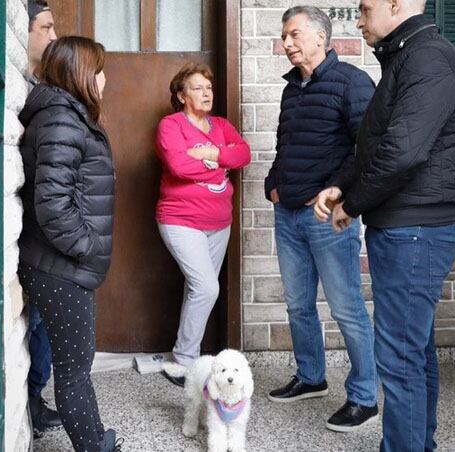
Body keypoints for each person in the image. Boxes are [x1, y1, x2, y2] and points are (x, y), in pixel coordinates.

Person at [314, 0, 455, 449]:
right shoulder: (408, 56)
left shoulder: (428, 58)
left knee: (401, 359)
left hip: (415, 231)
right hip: (407, 227)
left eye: (365, 9)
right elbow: (378, 141)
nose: (359, 19)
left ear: (396, 4)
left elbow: (403, 153)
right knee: (412, 351)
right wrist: (342, 186)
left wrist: (354, 203)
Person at [263, 5, 379, 433]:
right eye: (284, 36)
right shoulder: (291, 89)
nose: (287, 43)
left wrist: (336, 193)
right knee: (297, 304)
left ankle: (364, 397)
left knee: (347, 308)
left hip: (327, 218)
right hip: (288, 213)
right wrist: (273, 184)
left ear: (319, 37)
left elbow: (365, 149)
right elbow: (284, 143)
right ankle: (311, 377)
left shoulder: (351, 82)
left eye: (294, 35)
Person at [17, 36, 123, 452]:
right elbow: (52, 204)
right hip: (60, 266)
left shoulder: (66, 115)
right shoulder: (62, 118)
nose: (103, 78)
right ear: (80, 73)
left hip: (59, 264)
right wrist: (87, 247)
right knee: (75, 370)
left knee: (73, 366)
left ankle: (96, 440)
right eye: (98, 69)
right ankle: (95, 446)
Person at [157, 63, 251, 387]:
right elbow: (177, 163)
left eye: (208, 88)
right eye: (197, 88)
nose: (206, 93)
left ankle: (188, 357)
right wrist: (216, 165)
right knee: (207, 287)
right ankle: (183, 362)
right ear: (182, 95)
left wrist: (211, 152)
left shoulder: (222, 126)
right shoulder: (170, 126)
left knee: (197, 288)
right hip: (181, 220)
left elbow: (243, 154)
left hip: (219, 222)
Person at [23, 0, 61, 437]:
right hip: (37, 233)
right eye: (45, 27)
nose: (52, 37)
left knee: (41, 324)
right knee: (40, 321)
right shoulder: (27, 90)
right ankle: (33, 399)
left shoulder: (36, 84)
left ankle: (36, 398)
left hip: (40, 231)